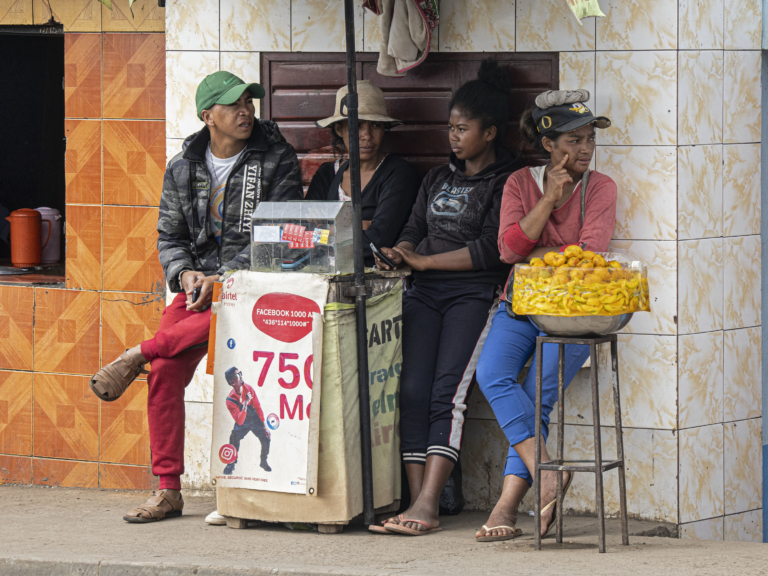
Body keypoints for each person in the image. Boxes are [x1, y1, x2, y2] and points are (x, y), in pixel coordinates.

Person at [88, 70, 303, 524]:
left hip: (256, 287)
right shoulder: (182, 166)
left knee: (165, 350)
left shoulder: (276, 157)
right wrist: (185, 274)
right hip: (198, 290)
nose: (246, 111)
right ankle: (168, 490)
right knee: (165, 371)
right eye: (234, 105)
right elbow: (170, 235)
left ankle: (137, 353)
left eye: (249, 103)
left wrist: (221, 278)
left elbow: (279, 233)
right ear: (208, 116)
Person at [372, 59, 523, 536]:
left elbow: (491, 250)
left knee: (447, 394)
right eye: (450, 128)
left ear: (490, 133)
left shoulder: (509, 181)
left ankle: (429, 503)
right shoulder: (437, 178)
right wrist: (402, 252)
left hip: (473, 297)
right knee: (411, 391)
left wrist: (425, 262)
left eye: (462, 129)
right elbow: (415, 227)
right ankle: (416, 500)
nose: (453, 137)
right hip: (423, 295)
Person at [473, 90, 617, 542]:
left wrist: (537, 253)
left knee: (536, 398)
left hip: (574, 312)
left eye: (590, 139)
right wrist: (548, 200)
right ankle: (547, 471)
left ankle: (506, 506)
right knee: (491, 374)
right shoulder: (520, 183)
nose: (586, 149)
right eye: (574, 141)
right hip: (519, 304)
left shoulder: (601, 188)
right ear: (549, 144)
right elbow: (508, 250)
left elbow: (588, 257)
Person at [306, 80, 421, 266]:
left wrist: (329, 228)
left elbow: (377, 241)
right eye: (357, 125)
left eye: (375, 125)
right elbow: (305, 233)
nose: (367, 135)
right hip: (321, 273)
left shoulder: (398, 174)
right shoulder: (326, 175)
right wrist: (362, 224)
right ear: (339, 129)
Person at [223, 367, 271, 474]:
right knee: (234, 437)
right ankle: (231, 463)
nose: (241, 376)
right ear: (232, 382)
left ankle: (263, 461)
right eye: (237, 375)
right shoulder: (230, 400)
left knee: (266, 437)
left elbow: (257, 407)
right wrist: (245, 404)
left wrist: (265, 426)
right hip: (242, 420)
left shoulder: (248, 388)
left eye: (240, 373)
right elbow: (239, 421)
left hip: (254, 418)